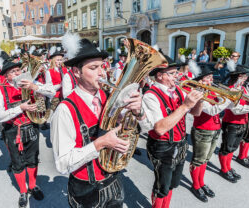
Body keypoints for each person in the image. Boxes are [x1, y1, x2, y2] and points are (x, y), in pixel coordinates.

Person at [50, 37, 146, 208]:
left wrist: (137, 111)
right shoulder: (65, 110)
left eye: (102, 66)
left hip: (113, 179)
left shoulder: (106, 96)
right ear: (77, 72)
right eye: (93, 68)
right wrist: (99, 144)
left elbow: (144, 127)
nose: (102, 73)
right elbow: (62, 164)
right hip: (86, 190)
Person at [0, 60, 55, 208]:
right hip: (13, 130)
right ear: (6, 76)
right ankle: (23, 190)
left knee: (33, 159)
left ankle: (33, 186)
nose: (17, 73)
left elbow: (52, 92)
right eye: (12, 72)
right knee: (17, 163)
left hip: (32, 126)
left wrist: (35, 87)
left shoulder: (31, 83)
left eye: (18, 70)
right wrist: (21, 107)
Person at [142, 53, 203, 208]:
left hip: (180, 142)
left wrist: (200, 99)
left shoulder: (176, 89)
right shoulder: (150, 96)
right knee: (162, 186)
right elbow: (160, 128)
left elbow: (195, 113)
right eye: (173, 73)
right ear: (161, 76)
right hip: (163, 146)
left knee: (172, 184)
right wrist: (186, 105)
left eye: (177, 72)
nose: (178, 75)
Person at [188, 63, 232, 202]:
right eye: (207, 78)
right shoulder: (197, 93)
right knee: (198, 160)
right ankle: (196, 185)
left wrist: (226, 97)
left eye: (211, 77)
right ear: (200, 80)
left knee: (205, 160)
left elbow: (220, 104)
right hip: (202, 130)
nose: (211, 81)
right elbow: (212, 110)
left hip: (215, 128)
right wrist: (227, 101)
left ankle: (202, 182)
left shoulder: (211, 89)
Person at [218, 64, 249, 182]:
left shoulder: (243, 88)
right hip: (231, 122)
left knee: (233, 147)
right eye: (243, 77)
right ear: (237, 77)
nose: (245, 79)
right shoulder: (231, 89)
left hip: (243, 121)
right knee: (226, 148)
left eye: (245, 77)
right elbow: (235, 110)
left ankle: (229, 167)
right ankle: (224, 169)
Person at [46, 46, 68, 111]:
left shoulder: (65, 70)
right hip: (55, 97)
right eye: (58, 60)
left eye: (61, 60)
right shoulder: (49, 71)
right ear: (53, 61)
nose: (60, 62)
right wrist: (60, 85)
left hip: (65, 95)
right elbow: (49, 87)